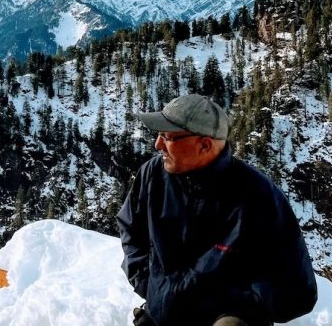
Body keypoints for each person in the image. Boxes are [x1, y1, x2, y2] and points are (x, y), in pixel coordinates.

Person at [116, 94, 317, 326]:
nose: (157, 144)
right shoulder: (152, 175)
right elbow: (131, 228)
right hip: (163, 313)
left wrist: (235, 305)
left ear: (205, 144)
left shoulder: (258, 196)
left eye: (168, 137)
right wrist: (152, 285)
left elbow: (299, 291)